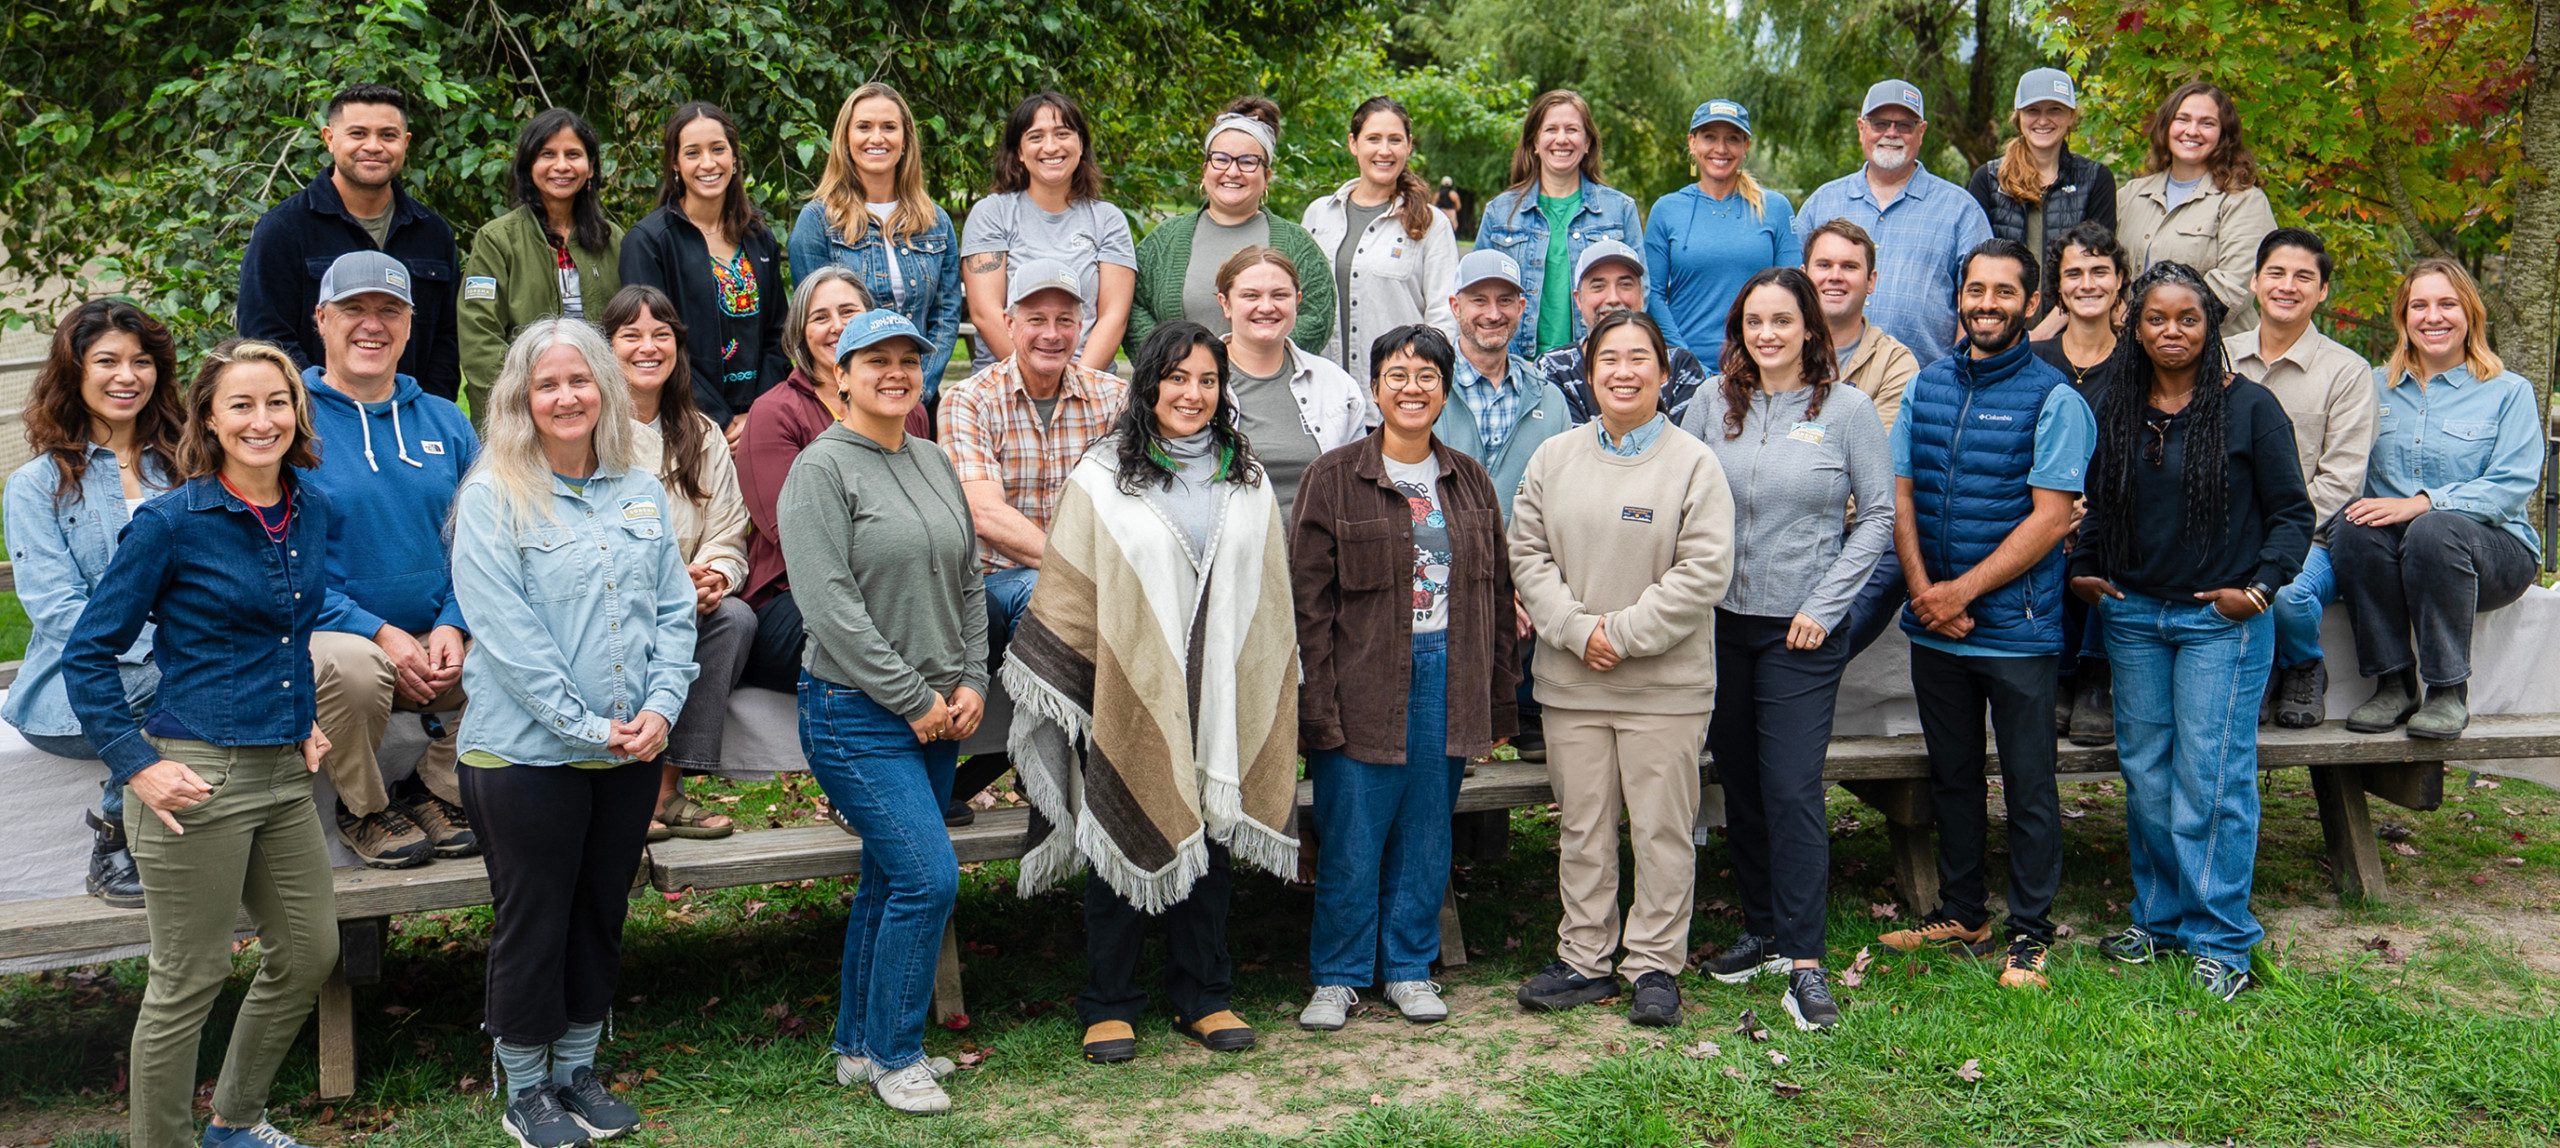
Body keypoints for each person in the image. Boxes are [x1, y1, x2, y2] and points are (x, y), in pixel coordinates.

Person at [65, 339, 337, 1148]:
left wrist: (303, 712)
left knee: (309, 953)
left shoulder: (310, 508)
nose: (263, 420)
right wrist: (136, 765)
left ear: (297, 411)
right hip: (197, 775)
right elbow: (89, 652)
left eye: (277, 402)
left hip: (285, 771)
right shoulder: (170, 523)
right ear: (210, 420)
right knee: (189, 980)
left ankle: (236, 1123)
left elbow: (287, 630)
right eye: (242, 405)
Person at [1005, 322, 1300, 1065]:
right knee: (1122, 820)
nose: (1192, 395)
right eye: (1177, 379)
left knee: (1214, 837)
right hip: (1125, 683)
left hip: (1220, 689)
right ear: (1148, 385)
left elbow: (1265, 599)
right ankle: (1109, 1001)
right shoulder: (1102, 475)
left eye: (1207, 380)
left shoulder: (1248, 477)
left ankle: (1204, 993)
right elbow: (1070, 592)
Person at [449, 319, 697, 1147]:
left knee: (600, 910)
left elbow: (672, 609)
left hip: (630, 748)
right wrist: (590, 727)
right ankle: (525, 1089)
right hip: (527, 755)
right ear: (523, 397)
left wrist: (662, 707)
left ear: (606, 390)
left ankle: (577, 1071)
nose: (566, 396)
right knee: (538, 915)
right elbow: (511, 639)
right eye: (547, 384)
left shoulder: (638, 487)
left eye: (580, 380)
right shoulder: (492, 496)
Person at [2070, 262, 2312, 1004]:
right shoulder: (2113, 402)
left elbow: (2292, 514)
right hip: (2135, 614)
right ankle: (2162, 920)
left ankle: (2221, 938)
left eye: (2187, 320)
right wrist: (2085, 567)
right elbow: (2097, 500)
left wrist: (2260, 589)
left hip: (2219, 623)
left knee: (2210, 778)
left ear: (2210, 326)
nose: (2171, 333)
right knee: (2146, 772)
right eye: (2155, 320)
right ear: (2132, 326)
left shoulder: (2250, 409)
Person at [777, 308, 985, 1115]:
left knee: (887, 878)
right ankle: (902, 1054)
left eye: (909, 359)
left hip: (940, 711)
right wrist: (915, 699)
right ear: (841, 375)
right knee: (929, 878)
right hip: (855, 712)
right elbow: (830, 609)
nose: (895, 373)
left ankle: (859, 1045)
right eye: (876, 361)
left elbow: (969, 581)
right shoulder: (821, 471)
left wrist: (971, 682)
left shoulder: (933, 460)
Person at [1873, 239, 2093, 993]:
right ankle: (1963, 912)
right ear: (1957, 300)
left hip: (2018, 630)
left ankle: (2030, 935)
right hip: (1935, 627)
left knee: (2029, 784)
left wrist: (1957, 595)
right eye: (1976, 290)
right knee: (1954, 775)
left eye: (2004, 292)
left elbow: (2051, 520)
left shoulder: (2056, 398)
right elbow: (1901, 498)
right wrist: (1924, 593)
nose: (1987, 303)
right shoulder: (1927, 387)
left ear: (2031, 306)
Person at [1678, 269, 1891, 1032]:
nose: (1767, 334)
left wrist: (1824, 607)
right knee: (1741, 780)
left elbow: (1876, 519)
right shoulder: (1710, 403)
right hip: (1718, 624)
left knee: (1793, 786)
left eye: (1782, 321)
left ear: (1810, 328)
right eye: (1754, 321)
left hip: (1801, 629)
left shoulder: (1849, 410)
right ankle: (1764, 928)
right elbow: (1683, 497)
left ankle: (1805, 962)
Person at [1509, 310, 1733, 1028]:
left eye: (1640, 358)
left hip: (1663, 688)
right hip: (1573, 682)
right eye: (1610, 358)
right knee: (1582, 826)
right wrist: (1577, 632)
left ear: (1664, 374)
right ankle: (1583, 958)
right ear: (1590, 371)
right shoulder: (1555, 457)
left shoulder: (1693, 463)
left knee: (1663, 830)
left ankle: (1653, 965)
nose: (1624, 371)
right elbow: (1527, 555)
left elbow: (1704, 572)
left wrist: (1623, 635)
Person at [1292, 324, 1517, 1031]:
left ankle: (1410, 967)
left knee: (1427, 830)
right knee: (1352, 830)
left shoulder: (1469, 480)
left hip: (1447, 669)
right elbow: (1308, 602)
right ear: (1375, 387)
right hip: (1362, 673)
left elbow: (1495, 593)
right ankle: (1337, 975)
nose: (1412, 387)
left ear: (1444, 389)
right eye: (1397, 374)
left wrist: (1495, 696)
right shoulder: (1336, 477)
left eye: (1426, 374)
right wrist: (1316, 702)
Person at [303, 250, 482, 869]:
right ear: (322, 318)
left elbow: (483, 543)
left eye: (389, 311)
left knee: (531, 640)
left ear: (410, 324)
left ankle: (434, 788)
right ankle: (366, 809)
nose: (371, 324)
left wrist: (455, 624)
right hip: (336, 636)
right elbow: (280, 562)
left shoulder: (445, 420)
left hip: (440, 639)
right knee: (355, 668)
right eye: (354, 309)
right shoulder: (289, 420)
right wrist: (380, 634)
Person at [937, 259, 1130, 821]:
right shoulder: (969, 400)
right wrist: (1077, 572)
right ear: (1008, 321)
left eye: (1066, 320)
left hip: (1094, 587)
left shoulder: (1114, 400)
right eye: (1036, 318)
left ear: (1084, 325)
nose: (1052, 333)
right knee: (1036, 595)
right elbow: (982, 510)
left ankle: (1050, 775)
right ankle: (1077, 780)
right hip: (989, 590)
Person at [6, 300, 183, 908]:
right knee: (180, 680)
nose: (126, 376)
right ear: (75, 371)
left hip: (178, 668)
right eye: (106, 361)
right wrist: (169, 649)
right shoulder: (37, 486)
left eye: (141, 361)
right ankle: (114, 837)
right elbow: (57, 610)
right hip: (76, 689)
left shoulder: (187, 469)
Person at [2333, 259, 2545, 740]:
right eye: (2420, 305)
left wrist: (2424, 502)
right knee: (2352, 525)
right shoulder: (2371, 387)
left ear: (2470, 313)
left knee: (2433, 526)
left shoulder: (2507, 392)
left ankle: (2448, 691)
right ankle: (2393, 684)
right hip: (2399, 555)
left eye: (2447, 304)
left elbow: (2512, 483)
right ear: (2403, 318)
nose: (2434, 316)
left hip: (2493, 553)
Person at [604, 285, 750, 840]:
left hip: (690, 601)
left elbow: (728, 531)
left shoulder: (702, 433)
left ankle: (666, 789)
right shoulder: (588, 432)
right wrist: (664, 585)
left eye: (661, 335)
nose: (648, 347)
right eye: (631, 336)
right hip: (612, 599)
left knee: (735, 620)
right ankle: (619, 787)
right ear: (606, 348)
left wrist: (713, 575)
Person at [2226, 229, 2378, 728]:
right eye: (2276, 273)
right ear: (2254, 281)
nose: (2287, 286)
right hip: (2219, 529)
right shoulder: (2218, 357)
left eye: (2303, 277)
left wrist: (2272, 531)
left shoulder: (2346, 372)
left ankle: (2302, 664)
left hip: (2311, 537)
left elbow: (2341, 480)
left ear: (2323, 291)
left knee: (2286, 593)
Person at [237, 83, 462, 399]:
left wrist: (426, 411)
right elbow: (266, 339)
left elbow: (447, 339)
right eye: (358, 134)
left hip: (409, 424)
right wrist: (323, 408)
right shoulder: (283, 230)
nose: (373, 146)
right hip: (315, 426)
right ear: (329, 138)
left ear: (405, 142)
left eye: (388, 135)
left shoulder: (432, 233)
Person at [1438, 249, 1570, 761]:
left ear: (1522, 307)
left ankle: (1524, 713)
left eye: (1505, 301)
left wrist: (1518, 585)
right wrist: (1490, 587)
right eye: (1478, 300)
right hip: (1445, 574)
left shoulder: (1549, 398)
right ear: (1455, 305)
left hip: (1525, 580)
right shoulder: (1428, 383)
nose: (1492, 313)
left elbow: (1557, 506)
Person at [790, 83, 965, 417]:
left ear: (905, 141)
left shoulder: (935, 221)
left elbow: (945, 316)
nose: (877, 138)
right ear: (845, 139)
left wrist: (916, 391)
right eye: (864, 127)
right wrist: (860, 395)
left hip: (918, 401)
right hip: (845, 406)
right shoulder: (817, 221)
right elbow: (819, 328)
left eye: (889, 127)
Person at [619, 101, 791, 440]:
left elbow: (779, 334)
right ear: (675, 164)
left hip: (760, 420)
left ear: (734, 158)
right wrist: (719, 420)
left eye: (718, 149)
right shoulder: (649, 242)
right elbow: (653, 342)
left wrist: (759, 413)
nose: (708, 163)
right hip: (684, 423)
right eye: (693, 153)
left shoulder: (759, 237)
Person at [735, 267, 871, 691]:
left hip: (883, 589)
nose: (837, 327)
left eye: (848, 311)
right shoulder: (775, 412)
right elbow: (792, 532)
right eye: (820, 317)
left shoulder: (908, 408)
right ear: (800, 332)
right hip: (791, 600)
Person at [1793, 79, 1994, 365]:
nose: (1891, 133)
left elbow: (1980, 299)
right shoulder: (1821, 203)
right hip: (1823, 380)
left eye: (1904, 125)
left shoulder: (1960, 210)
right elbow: (1792, 290)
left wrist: (1958, 372)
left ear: (1921, 132)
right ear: (1861, 128)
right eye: (1880, 123)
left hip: (1925, 387)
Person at [2030, 221, 2133, 743]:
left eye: (2100, 271)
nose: (2087, 283)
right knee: (2048, 537)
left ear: (2120, 282)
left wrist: (2091, 506)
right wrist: (2056, 505)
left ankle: (2095, 678)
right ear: (2058, 286)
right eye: (2074, 273)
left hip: (2117, 509)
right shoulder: (2034, 361)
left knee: (2105, 534)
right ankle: (2059, 676)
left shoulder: (2139, 364)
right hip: (2044, 505)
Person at [1802, 219, 1923, 657]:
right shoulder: (1772, 346)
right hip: (1783, 525)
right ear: (1804, 274)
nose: (1835, 276)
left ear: (1870, 281)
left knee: (1896, 536)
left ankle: (1818, 653)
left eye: (1849, 266)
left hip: (1855, 526)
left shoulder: (1896, 364)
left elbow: (1875, 473)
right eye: (1825, 264)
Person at [1127, 98, 1333, 354]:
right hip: (1181, 388)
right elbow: (1133, 306)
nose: (1233, 171)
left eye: (1247, 161)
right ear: (1205, 170)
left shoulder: (1297, 245)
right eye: (1221, 159)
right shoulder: (1165, 240)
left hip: (1265, 390)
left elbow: (1317, 318)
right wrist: (1173, 362)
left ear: (1266, 176)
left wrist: (1250, 365)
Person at [459, 108, 624, 422]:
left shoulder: (612, 239)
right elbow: (479, 341)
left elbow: (630, 330)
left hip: (601, 408)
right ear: (529, 165)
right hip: (524, 412)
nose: (561, 166)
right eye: (547, 154)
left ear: (590, 168)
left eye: (573, 154)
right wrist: (527, 405)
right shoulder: (497, 240)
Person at [960, 91, 1137, 374]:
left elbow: (1113, 318)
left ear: (1081, 145)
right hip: (1004, 384)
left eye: (1062, 133)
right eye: (1036, 136)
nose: (1051, 146)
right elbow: (985, 314)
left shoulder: (1108, 220)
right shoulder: (992, 214)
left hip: (1088, 386)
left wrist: (1074, 385)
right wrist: (1036, 382)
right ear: (1019, 152)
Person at [1301, 96, 1460, 383]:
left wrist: (1423, 382)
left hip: (1396, 394)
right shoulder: (1318, 214)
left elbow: (1443, 319)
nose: (1384, 150)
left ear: (1409, 145)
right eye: (1373, 138)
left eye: (1395, 140)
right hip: (1323, 393)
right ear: (1353, 143)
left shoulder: (1432, 224)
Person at [1478, 91, 1644, 360]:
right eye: (1551, 129)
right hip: (1518, 364)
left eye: (1572, 130)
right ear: (1534, 142)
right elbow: (1476, 293)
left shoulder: (1619, 209)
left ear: (1587, 142)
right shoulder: (1500, 212)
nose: (1562, 139)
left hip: (1594, 362)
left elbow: (1640, 291)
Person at [1215, 246, 1375, 514]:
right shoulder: (1193, 385)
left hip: (1316, 551)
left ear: (1297, 300)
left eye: (1280, 295)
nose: (1266, 307)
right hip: (1226, 551)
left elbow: (1357, 485)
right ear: (1225, 304)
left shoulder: (1336, 385)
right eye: (1250, 296)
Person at [1646, 99, 1797, 369]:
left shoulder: (1774, 208)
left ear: (1745, 146)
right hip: (1683, 369)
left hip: (1759, 366)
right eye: (1709, 137)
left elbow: (1793, 292)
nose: (1721, 149)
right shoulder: (1666, 210)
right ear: (1692, 143)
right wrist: (1685, 361)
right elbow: (1652, 295)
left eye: (1732, 139)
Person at [2116, 81, 2278, 332]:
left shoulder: (2243, 201)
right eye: (2183, 119)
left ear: (2224, 134)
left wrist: (2159, 326)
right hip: (2133, 354)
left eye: (2207, 123)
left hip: (2215, 356)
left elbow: (2232, 290)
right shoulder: (2130, 196)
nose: (2192, 131)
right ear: (2166, 126)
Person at [1967, 69, 2117, 336]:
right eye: (2033, 110)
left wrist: (2042, 334)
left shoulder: (2095, 179)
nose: (2043, 120)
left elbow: (2095, 267)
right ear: (2018, 117)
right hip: (2000, 333)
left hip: (2072, 334)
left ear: (2071, 116)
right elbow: (1976, 268)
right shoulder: (1988, 180)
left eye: (2055, 110)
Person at [1536, 239, 1709, 425]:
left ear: (1642, 295)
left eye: (1625, 285)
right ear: (1578, 299)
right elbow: (1568, 447)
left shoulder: (1679, 364)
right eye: (1598, 286)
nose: (1613, 298)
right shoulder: (1553, 368)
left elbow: (1680, 445)